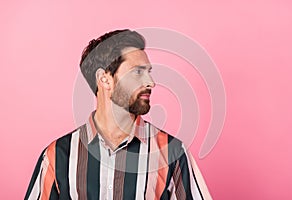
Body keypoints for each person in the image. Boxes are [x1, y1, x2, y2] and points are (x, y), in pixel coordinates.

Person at [25, 29, 212, 200]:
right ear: (104, 79)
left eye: (148, 72)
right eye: (138, 72)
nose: (151, 82)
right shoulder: (57, 155)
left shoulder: (172, 152)